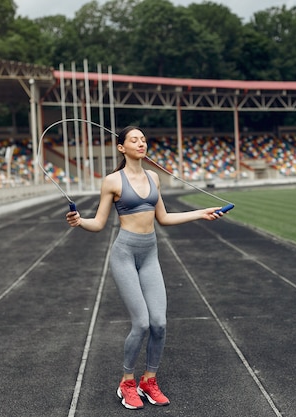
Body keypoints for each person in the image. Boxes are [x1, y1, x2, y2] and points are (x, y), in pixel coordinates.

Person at [66, 126, 225, 410]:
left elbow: (162, 217)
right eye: (134, 140)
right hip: (125, 253)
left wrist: (201, 213)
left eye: (143, 139)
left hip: (150, 253)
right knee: (141, 323)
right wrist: (80, 222)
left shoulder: (153, 177)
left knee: (160, 324)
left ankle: (148, 381)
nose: (141, 143)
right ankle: (126, 382)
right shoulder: (112, 181)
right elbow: (99, 223)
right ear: (121, 148)